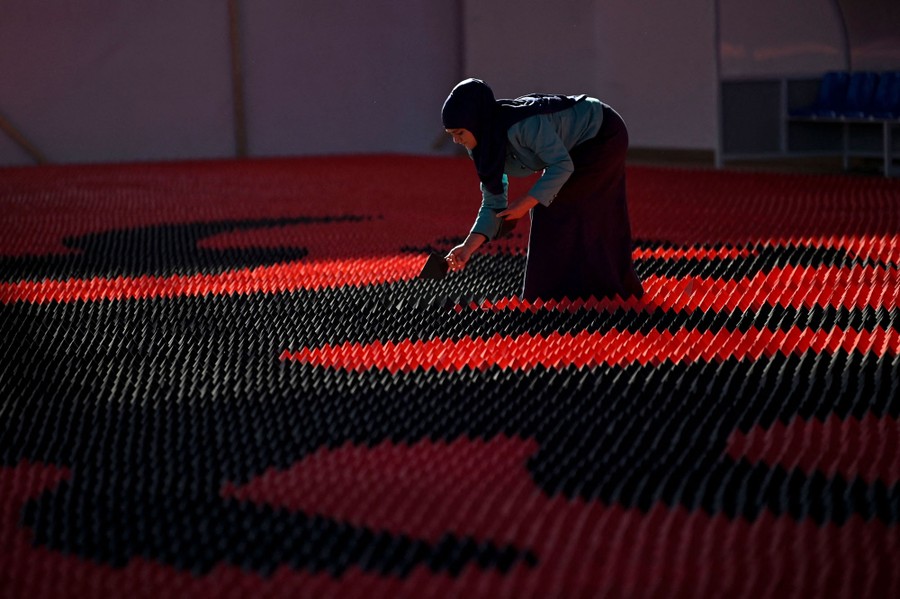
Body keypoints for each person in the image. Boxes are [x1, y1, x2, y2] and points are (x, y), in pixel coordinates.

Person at [441, 78, 643, 302]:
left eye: (459, 133)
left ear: (476, 122)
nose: (456, 140)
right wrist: (468, 247)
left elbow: (562, 165)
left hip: (601, 134)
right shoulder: (481, 148)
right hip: (573, 150)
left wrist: (526, 202)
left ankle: (555, 297)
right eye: (451, 134)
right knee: (560, 210)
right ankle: (576, 294)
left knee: (554, 211)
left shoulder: (522, 125)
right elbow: (493, 203)